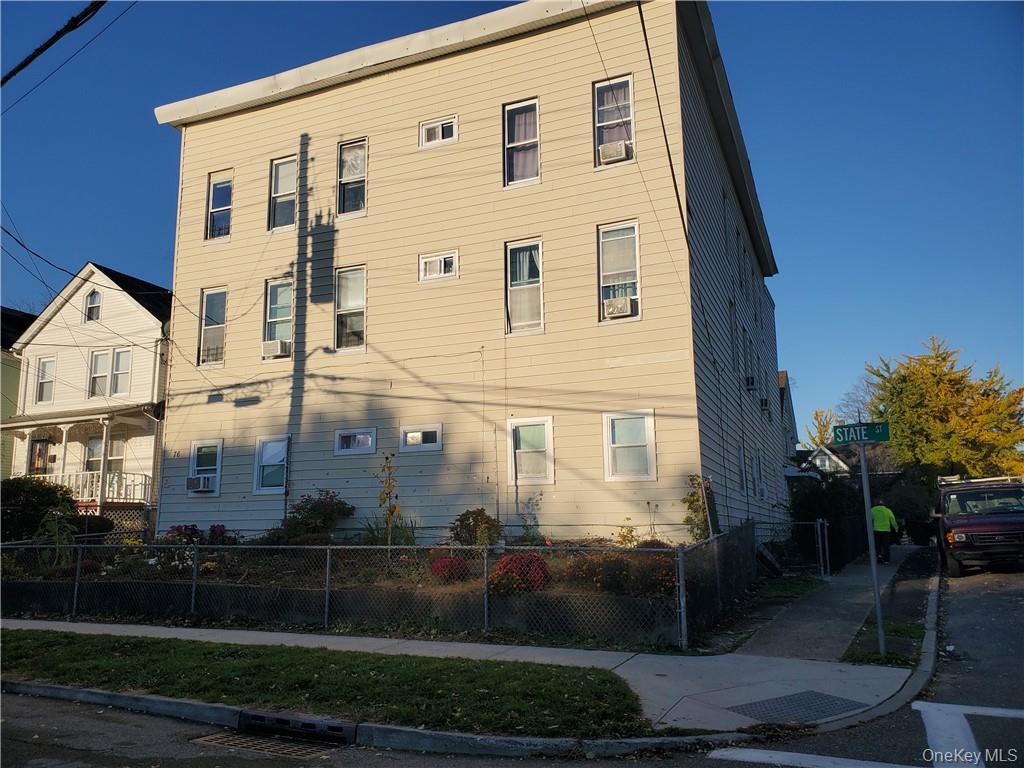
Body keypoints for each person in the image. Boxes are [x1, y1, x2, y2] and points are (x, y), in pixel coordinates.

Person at [871, 496, 899, 564]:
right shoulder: (887, 510)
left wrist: (871, 527)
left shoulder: (872, 510)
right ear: (884, 504)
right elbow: (892, 519)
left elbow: (870, 520)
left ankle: (879, 557)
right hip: (886, 530)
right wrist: (896, 527)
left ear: (876, 504)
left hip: (876, 530)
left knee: (878, 545)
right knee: (885, 545)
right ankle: (886, 560)